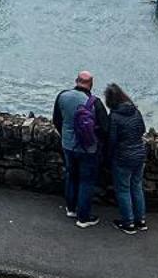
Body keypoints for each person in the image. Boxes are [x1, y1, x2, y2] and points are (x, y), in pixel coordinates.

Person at [52, 68, 106, 227]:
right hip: (88, 148)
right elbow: (105, 128)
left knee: (71, 175)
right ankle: (83, 218)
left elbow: (56, 120)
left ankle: (70, 208)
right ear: (91, 84)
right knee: (86, 181)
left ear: (76, 81)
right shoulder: (95, 103)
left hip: (68, 145)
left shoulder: (62, 96)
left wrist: (66, 136)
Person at [104, 82, 148, 235]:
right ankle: (140, 220)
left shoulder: (114, 117)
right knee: (136, 186)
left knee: (123, 189)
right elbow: (142, 129)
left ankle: (128, 223)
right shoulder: (135, 110)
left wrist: (107, 157)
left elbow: (112, 140)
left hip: (123, 157)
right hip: (140, 154)